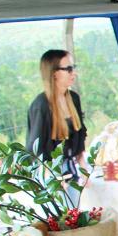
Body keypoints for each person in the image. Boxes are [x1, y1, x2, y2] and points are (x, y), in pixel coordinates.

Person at [26, 50, 88, 182]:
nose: (73, 73)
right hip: (50, 173)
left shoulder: (74, 98)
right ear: (54, 73)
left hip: (72, 168)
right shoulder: (41, 105)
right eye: (69, 69)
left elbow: (79, 136)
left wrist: (84, 170)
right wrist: (52, 179)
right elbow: (35, 149)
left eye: (73, 68)